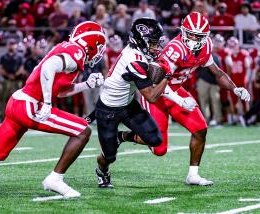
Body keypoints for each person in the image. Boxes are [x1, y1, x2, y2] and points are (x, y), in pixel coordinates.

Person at [0, 21, 106, 199]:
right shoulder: (77, 51)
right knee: (83, 130)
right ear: (92, 43)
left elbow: (60, 90)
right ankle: (55, 179)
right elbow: (49, 67)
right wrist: (47, 104)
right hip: (30, 105)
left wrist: (86, 84)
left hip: (19, 102)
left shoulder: (68, 48)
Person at [121, 12, 250, 186]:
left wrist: (235, 88)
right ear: (183, 31)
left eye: (199, 36)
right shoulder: (176, 49)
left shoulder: (206, 47)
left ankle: (193, 175)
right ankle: (122, 136)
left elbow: (217, 72)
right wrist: (181, 101)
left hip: (176, 89)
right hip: (157, 92)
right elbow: (159, 81)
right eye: (191, 34)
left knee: (200, 128)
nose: (195, 39)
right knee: (159, 149)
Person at [95, 18, 170, 188]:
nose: (156, 46)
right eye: (152, 43)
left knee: (155, 139)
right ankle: (102, 170)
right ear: (140, 40)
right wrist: (166, 76)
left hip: (127, 104)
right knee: (109, 156)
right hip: (108, 109)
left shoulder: (138, 52)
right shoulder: (134, 60)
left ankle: (121, 136)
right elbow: (151, 96)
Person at [226, 37, 251, 125]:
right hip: (233, 82)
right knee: (233, 100)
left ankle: (247, 117)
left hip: (242, 80)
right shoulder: (229, 56)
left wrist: (247, 80)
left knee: (245, 100)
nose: (233, 47)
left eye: (234, 45)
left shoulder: (244, 54)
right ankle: (236, 118)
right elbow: (228, 71)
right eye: (231, 46)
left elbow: (248, 68)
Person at [0, 38, 24, 118]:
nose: (11, 46)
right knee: (4, 99)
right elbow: (0, 68)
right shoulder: (3, 57)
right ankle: (4, 116)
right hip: (6, 80)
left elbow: (22, 68)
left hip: (17, 80)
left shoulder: (19, 57)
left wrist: (15, 75)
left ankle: (17, 116)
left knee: (18, 100)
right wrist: (8, 75)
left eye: (13, 44)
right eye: (10, 44)